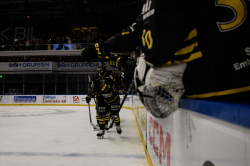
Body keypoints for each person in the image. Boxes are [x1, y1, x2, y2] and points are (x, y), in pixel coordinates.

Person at [82, 0, 250, 118]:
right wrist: (104, 48)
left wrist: (126, 64)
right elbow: (138, 29)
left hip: (214, 93)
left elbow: (155, 50)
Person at [86, 62, 123, 138]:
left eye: (102, 67)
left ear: (105, 67)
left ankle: (118, 126)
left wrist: (119, 79)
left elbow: (119, 81)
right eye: (99, 67)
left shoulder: (111, 74)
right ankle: (102, 130)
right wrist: (89, 96)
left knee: (115, 114)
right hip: (102, 97)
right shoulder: (96, 76)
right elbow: (93, 87)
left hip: (113, 96)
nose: (101, 69)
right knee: (101, 114)